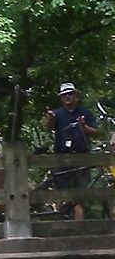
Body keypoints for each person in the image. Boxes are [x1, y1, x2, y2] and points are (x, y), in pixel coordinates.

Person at [43, 81, 98, 221]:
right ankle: (65, 223)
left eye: (70, 93)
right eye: (64, 95)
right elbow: (48, 128)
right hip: (62, 158)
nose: (67, 96)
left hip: (82, 157)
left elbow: (97, 133)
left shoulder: (85, 112)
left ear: (76, 96)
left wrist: (84, 127)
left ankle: (78, 226)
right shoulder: (56, 113)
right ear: (61, 98)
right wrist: (50, 119)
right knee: (64, 193)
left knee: (80, 193)